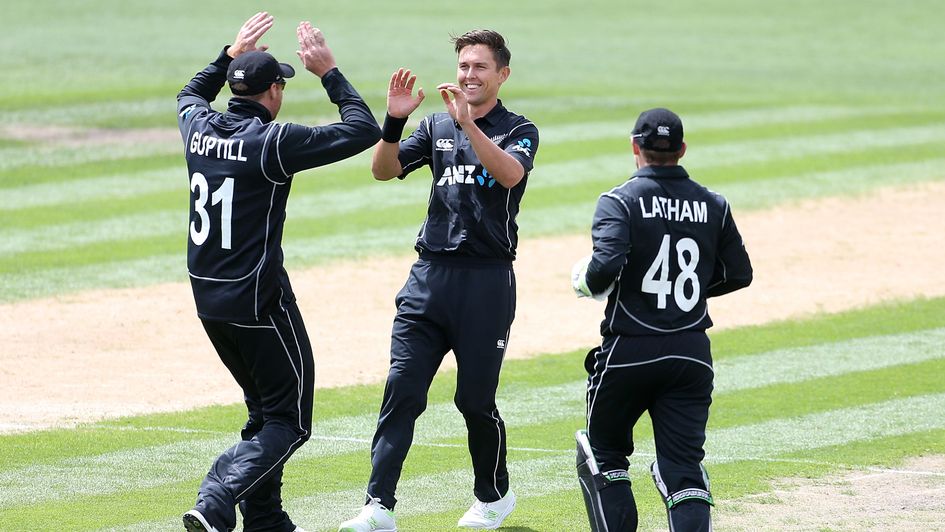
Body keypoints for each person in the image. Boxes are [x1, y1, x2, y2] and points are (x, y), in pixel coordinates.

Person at [176, 12, 380, 532]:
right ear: (274, 91)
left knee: (265, 411)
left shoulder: (197, 126)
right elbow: (362, 129)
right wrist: (329, 72)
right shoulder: (272, 141)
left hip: (209, 300)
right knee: (289, 422)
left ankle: (266, 520)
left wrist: (229, 55)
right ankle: (217, 499)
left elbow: (189, 94)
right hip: (259, 300)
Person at [338, 29, 539, 532]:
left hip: (486, 283)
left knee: (474, 401)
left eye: (480, 68)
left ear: (502, 75)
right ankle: (378, 506)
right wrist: (394, 120)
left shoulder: (520, 128)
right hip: (429, 278)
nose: (469, 75)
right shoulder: (434, 125)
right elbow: (383, 171)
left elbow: (511, 175)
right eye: (464, 66)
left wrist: (469, 126)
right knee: (402, 389)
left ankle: (493, 497)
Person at [570, 108, 752, 532]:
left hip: (628, 350)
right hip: (690, 351)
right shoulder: (714, 205)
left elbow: (603, 269)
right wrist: (681, 296)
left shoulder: (619, 201)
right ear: (682, 150)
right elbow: (738, 274)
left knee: (604, 458)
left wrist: (583, 281)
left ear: (636, 147)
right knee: (684, 470)